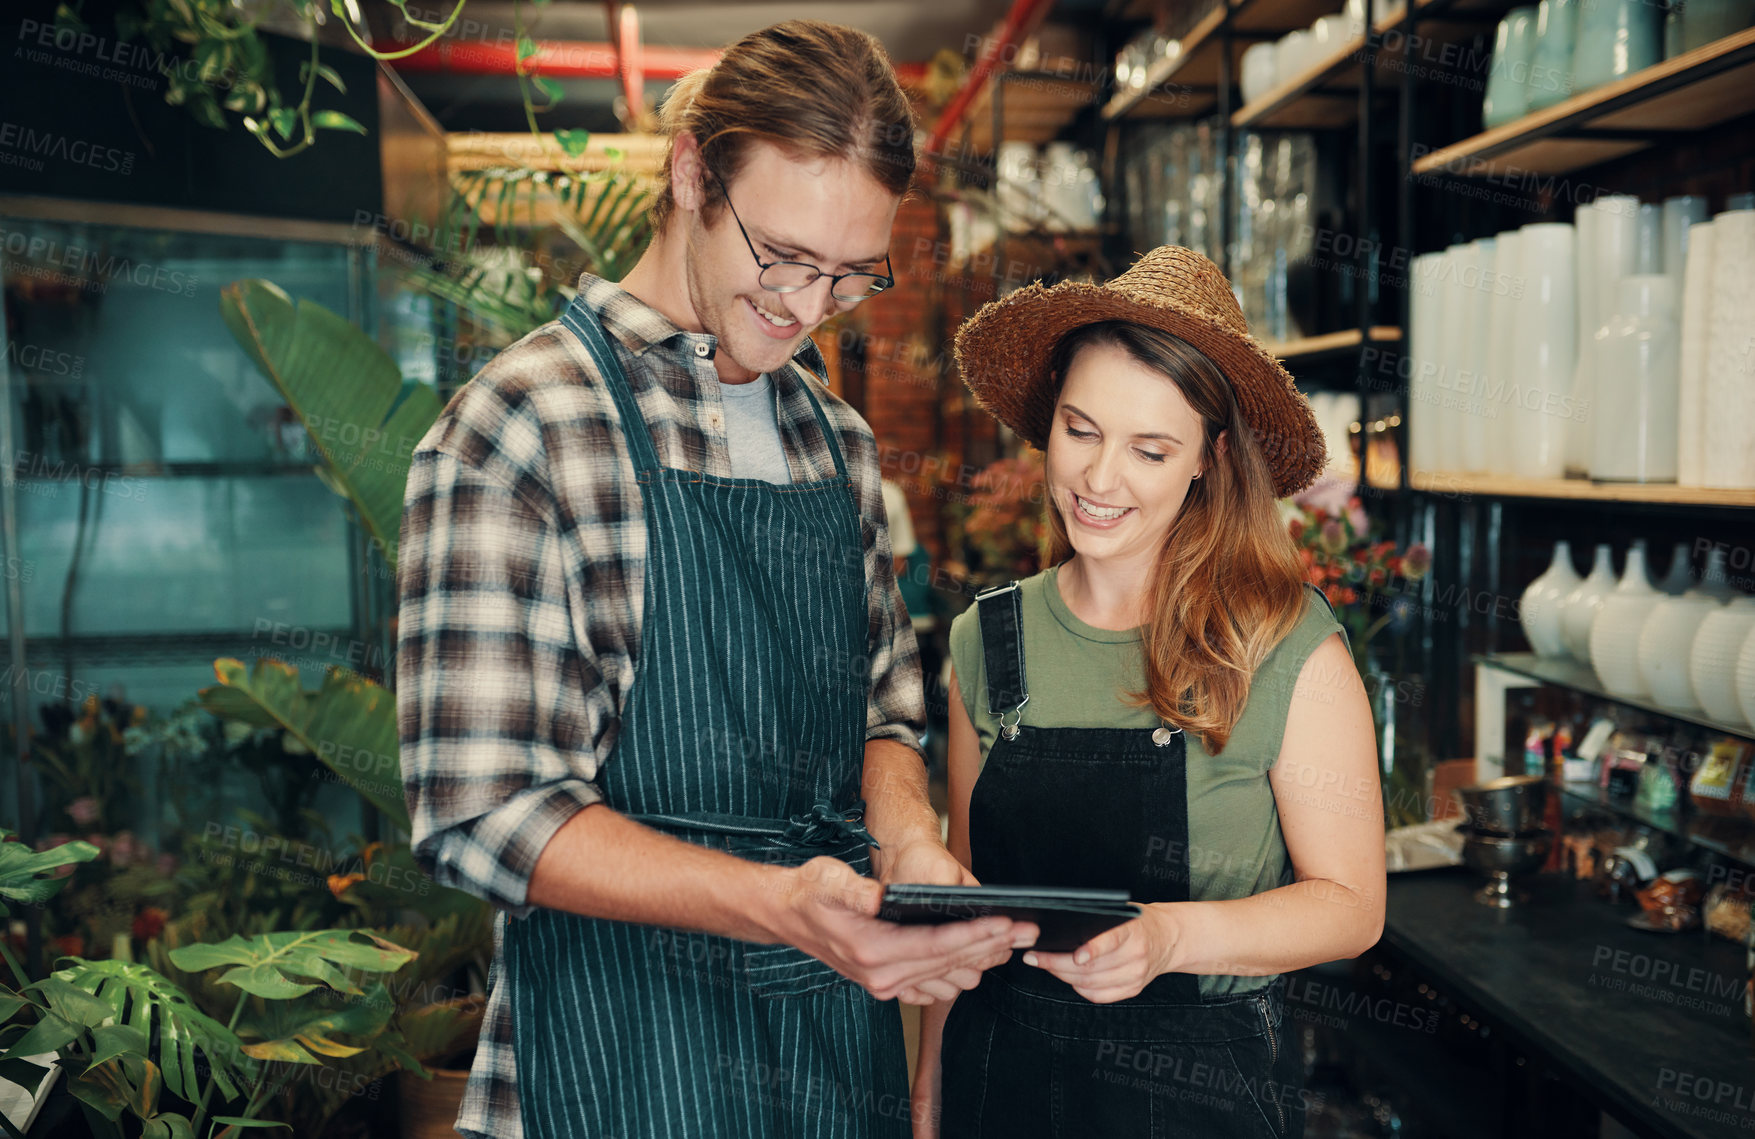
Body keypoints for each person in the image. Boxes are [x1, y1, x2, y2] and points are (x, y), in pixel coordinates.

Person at [396, 21, 1035, 1139]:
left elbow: (884, 712)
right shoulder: (524, 425)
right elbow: (484, 808)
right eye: (782, 255)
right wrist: (785, 905)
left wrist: (913, 847)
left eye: (849, 275)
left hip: (832, 1055)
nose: (806, 305)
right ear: (692, 171)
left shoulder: (836, 441)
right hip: (613, 1053)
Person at [912, 246, 1387, 1138]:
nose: (1098, 480)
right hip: (998, 1077)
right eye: (1079, 429)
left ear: (1208, 458)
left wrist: (1167, 937)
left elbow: (1352, 906)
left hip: (1194, 1092)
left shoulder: (1285, 647)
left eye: (1149, 449)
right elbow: (969, 903)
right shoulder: (988, 639)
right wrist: (929, 1095)